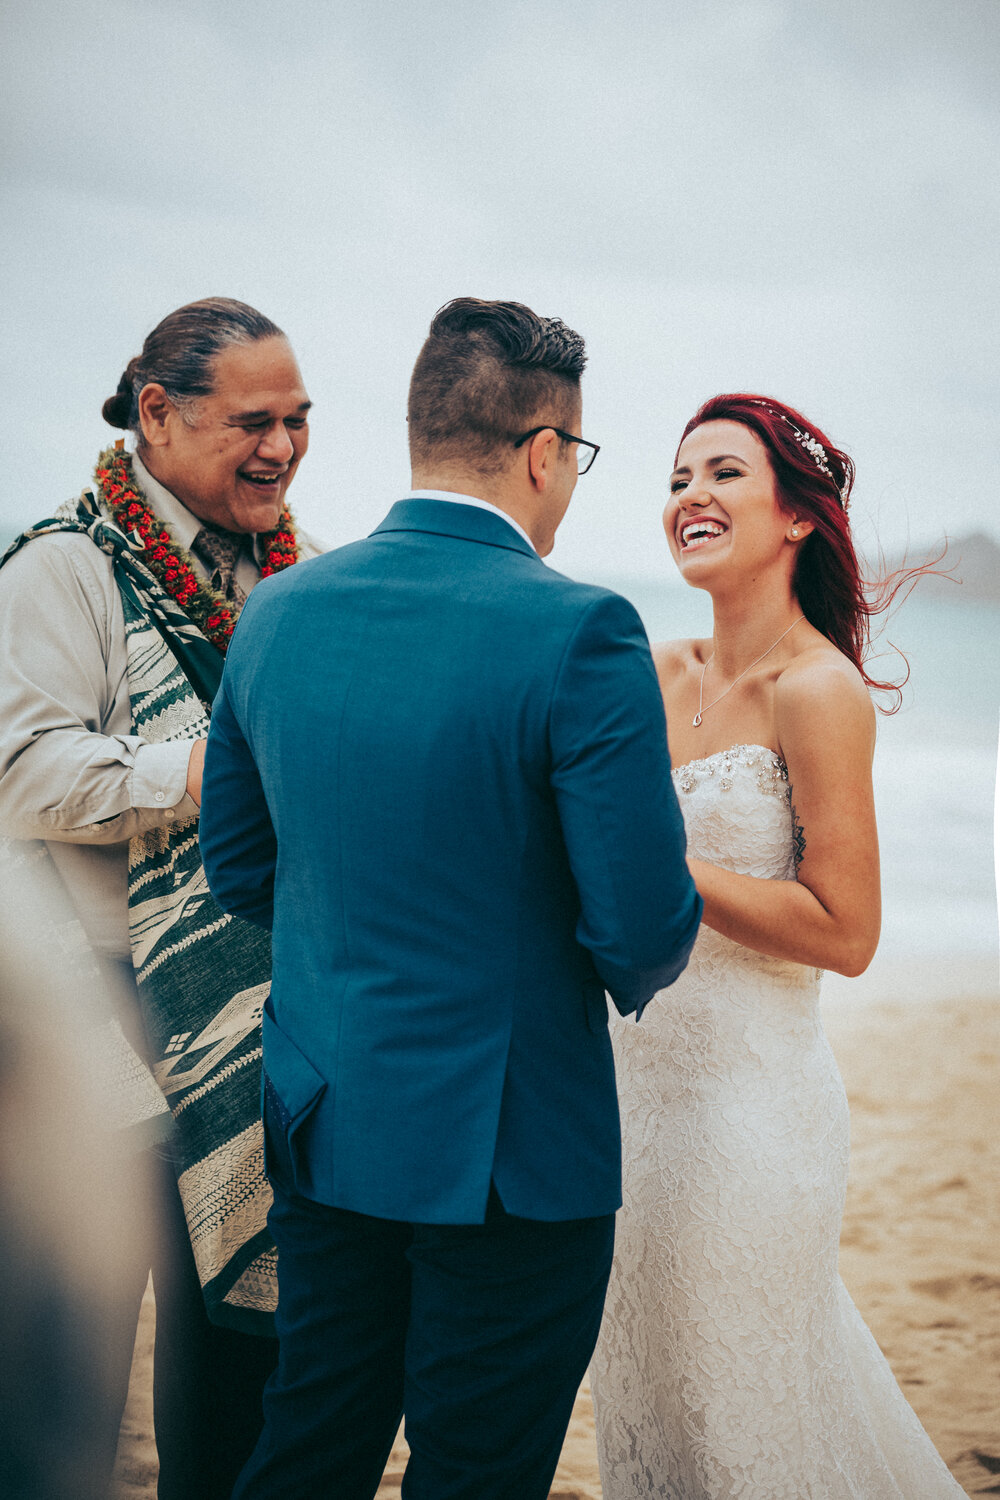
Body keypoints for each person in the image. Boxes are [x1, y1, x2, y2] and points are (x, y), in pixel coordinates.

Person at [198, 296, 703, 1500]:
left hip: (325, 1117)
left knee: (309, 1443)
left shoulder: (275, 611)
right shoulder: (581, 628)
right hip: (512, 1145)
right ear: (543, 452)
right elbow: (639, 926)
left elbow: (240, 867)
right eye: (574, 457)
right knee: (477, 1471)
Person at [589, 393, 966, 1497]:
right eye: (674, 480)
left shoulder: (819, 691)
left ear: (796, 517)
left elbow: (846, 933)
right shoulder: (650, 673)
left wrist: (662, 864)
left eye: (721, 474)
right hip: (627, 1103)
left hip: (749, 1113)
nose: (689, 497)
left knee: (748, 1410)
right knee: (651, 1406)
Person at [0, 297, 321, 1499]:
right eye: (253, 422)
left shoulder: (296, 579)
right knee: (70, 1385)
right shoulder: (61, 570)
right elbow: (20, 773)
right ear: (156, 415)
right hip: (104, 1023)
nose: (282, 449)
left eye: (298, 421)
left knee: (235, 1365)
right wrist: (213, 767)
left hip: (253, 1019)